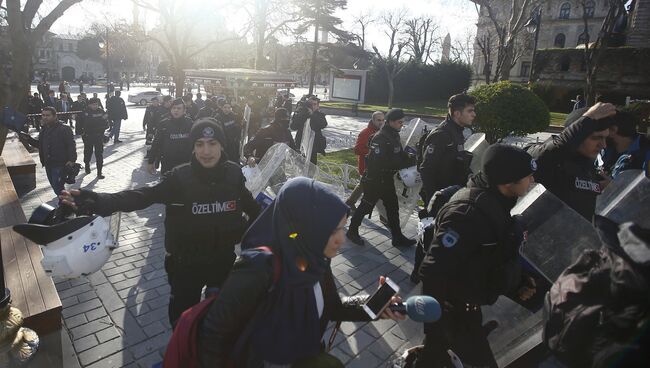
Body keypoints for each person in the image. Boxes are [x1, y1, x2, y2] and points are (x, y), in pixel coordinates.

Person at [59, 119, 261, 326]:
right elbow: (143, 195)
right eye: (199, 144)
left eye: (212, 143)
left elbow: (254, 209)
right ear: (193, 146)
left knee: (222, 320)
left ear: (222, 145)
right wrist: (100, 201)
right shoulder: (179, 178)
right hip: (186, 265)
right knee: (182, 322)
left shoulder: (234, 174)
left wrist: (257, 234)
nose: (206, 151)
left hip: (222, 262)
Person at [196, 177, 404, 367]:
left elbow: (333, 307)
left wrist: (375, 306)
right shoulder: (257, 267)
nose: (341, 239)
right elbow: (213, 334)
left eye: (343, 227)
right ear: (303, 227)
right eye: (331, 230)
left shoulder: (315, 258)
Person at [416, 144, 538, 368]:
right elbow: (433, 271)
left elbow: (488, 257)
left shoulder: (496, 202)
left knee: (430, 360)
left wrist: (517, 281)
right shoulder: (466, 214)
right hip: (454, 315)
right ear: (507, 181)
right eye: (527, 177)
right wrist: (435, 327)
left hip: (471, 309)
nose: (532, 181)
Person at [528, 102, 615, 221]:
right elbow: (554, 150)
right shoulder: (547, 158)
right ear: (576, 135)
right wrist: (589, 118)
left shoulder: (587, 165)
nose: (603, 145)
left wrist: (606, 190)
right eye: (596, 138)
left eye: (605, 138)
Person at [346, 108, 417, 248]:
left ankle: (397, 237)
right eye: (399, 122)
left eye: (403, 122)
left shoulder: (394, 135)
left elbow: (399, 153)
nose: (401, 125)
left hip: (387, 179)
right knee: (366, 206)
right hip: (375, 179)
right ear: (390, 122)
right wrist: (401, 163)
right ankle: (352, 231)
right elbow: (379, 162)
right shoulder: (380, 137)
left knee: (392, 207)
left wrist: (413, 158)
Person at [419, 94, 476, 206]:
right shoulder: (442, 135)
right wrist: (433, 200)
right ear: (457, 113)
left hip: (452, 193)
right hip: (440, 198)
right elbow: (426, 169)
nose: (474, 114)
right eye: (470, 111)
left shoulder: (457, 131)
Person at [19, 107, 77, 195]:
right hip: (48, 164)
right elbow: (40, 145)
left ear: (55, 116)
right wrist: (29, 139)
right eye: (43, 115)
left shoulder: (64, 128)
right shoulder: (44, 129)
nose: (45, 117)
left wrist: (72, 160)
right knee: (56, 187)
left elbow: (71, 145)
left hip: (60, 164)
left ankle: (66, 205)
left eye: (48, 115)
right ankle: (65, 205)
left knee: (58, 187)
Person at [345, 111, 385, 210]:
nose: (381, 122)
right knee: (368, 186)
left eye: (383, 120)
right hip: (366, 166)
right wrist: (374, 151)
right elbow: (357, 149)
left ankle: (350, 203)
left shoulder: (382, 132)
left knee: (363, 185)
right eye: (378, 120)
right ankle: (382, 214)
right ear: (373, 120)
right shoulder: (365, 133)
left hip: (377, 166)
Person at [148, 99, 193, 175]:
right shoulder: (164, 124)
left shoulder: (190, 123)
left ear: (184, 110)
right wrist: (151, 161)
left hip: (185, 163)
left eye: (179, 108)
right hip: (168, 163)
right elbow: (156, 143)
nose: (176, 110)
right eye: (174, 108)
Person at [602, 111, 650, 178]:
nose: (601, 134)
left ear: (613, 129)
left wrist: (612, 185)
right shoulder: (604, 150)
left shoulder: (645, 153)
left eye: (603, 128)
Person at [291, 96, 327, 164]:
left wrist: (312, 115)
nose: (312, 106)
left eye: (314, 104)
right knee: (299, 166)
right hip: (300, 145)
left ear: (318, 106)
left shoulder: (319, 115)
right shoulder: (302, 114)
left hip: (313, 146)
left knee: (311, 167)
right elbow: (293, 127)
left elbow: (323, 124)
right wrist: (298, 114)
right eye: (310, 104)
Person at [81, 98, 108, 179]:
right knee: (88, 153)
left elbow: (106, 123)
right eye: (93, 104)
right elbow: (86, 123)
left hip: (99, 136)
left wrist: (101, 121)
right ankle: (87, 165)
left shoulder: (101, 111)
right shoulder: (85, 111)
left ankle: (99, 172)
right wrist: (99, 120)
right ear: (89, 105)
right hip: (88, 136)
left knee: (99, 154)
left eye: (96, 104)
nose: (95, 106)